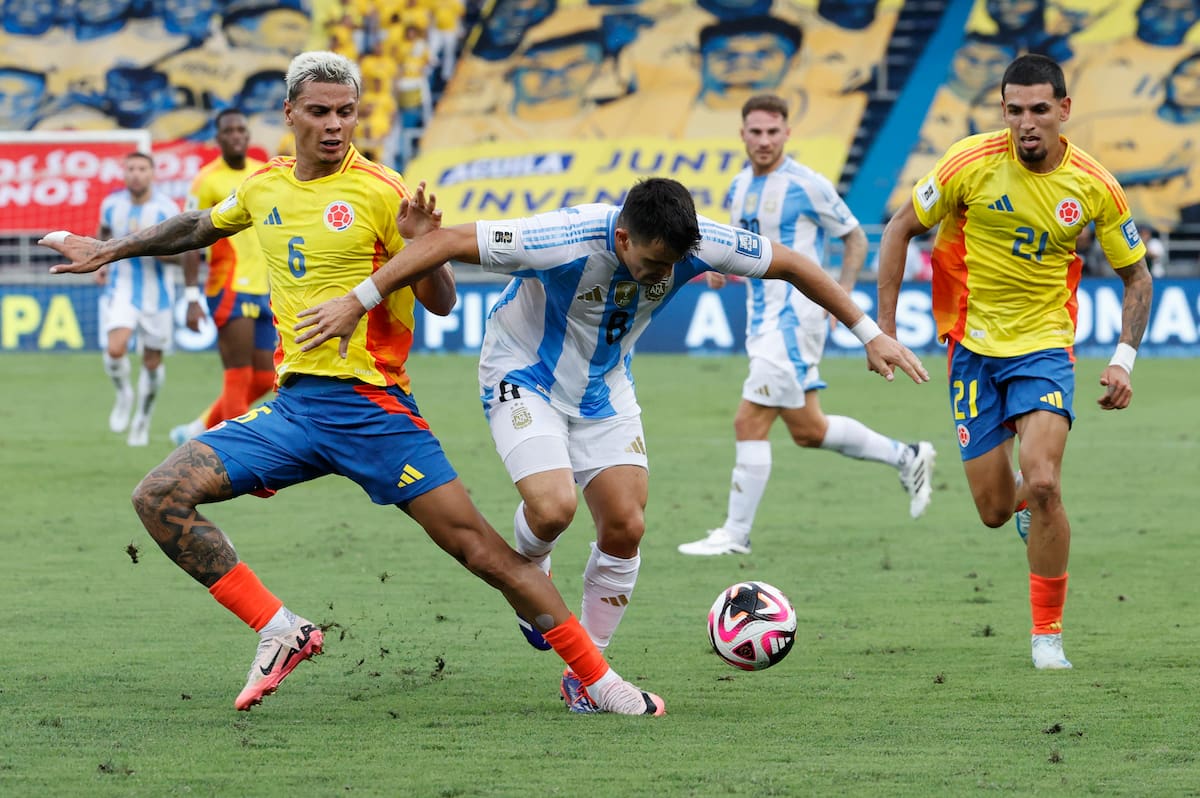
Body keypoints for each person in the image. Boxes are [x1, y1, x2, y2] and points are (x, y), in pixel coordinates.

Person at [40, 50, 665, 718]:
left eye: (346, 112)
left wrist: (424, 242)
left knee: (481, 552)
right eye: (319, 112)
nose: (335, 125)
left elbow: (443, 300)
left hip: (376, 413)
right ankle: (279, 628)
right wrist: (110, 247)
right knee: (159, 496)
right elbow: (200, 224)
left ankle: (599, 681)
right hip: (294, 410)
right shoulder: (265, 185)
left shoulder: (381, 190)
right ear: (289, 114)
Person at [292, 176, 930, 711]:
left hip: (605, 386)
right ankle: (530, 568)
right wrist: (360, 298)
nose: (664, 274)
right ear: (622, 237)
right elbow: (452, 241)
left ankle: (585, 676)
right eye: (653, 263)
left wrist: (869, 332)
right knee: (553, 510)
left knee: (625, 525)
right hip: (524, 371)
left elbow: (793, 264)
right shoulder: (565, 234)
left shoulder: (698, 242)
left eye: (672, 265)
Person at [875, 54, 1153, 670]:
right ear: (1003, 110)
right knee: (997, 511)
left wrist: (1123, 359)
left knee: (1046, 481)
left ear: (1063, 111)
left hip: (1046, 346)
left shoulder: (1094, 185)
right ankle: (1026, 512)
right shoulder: (967, 164)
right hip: (972, 350)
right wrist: (884, 332)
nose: (1026, 123)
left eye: (1039, 110)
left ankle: (1047, 636)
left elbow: (1138, 277)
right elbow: (897, 230)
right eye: (1014, 110)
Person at [678, 95, 936, 558]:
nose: (763, 140)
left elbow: (855, 237)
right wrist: (718, 267)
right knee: (808, 430)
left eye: (772, 132)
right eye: (755, 132)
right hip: (761, 320)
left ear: (786, 134)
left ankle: (735, 534)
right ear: (742, 134)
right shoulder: (738, 187)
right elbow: (742, 246)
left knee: (749, 420)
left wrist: (839, 297)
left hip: (794, 318)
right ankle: (907, 455)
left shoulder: (806, 184)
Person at [170, 109, 276, 446]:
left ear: (248, 136)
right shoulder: (206, 180)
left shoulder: (262, 175)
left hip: (265, 287)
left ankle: (198, 429)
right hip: (228, 286)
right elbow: (189, 240)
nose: (235, 135)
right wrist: (190, 297)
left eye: (240, 130)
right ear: (218, 139)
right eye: (228, 131)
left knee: (265, 377)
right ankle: (238, 454)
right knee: (238, 374)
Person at [96, 151, 182, 447]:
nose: (135, 174)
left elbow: (181, 256)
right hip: (122, 287)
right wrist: (102, 264)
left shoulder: (166, 209)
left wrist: (144, 245)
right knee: (115, 349)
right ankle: (123, 395)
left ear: (152, 173)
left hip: (158, 294)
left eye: (141, 168)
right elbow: (104, 234)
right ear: (124, 173)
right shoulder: (111, 205)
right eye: (130, 168)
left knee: (151, 361)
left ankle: (143, 416)